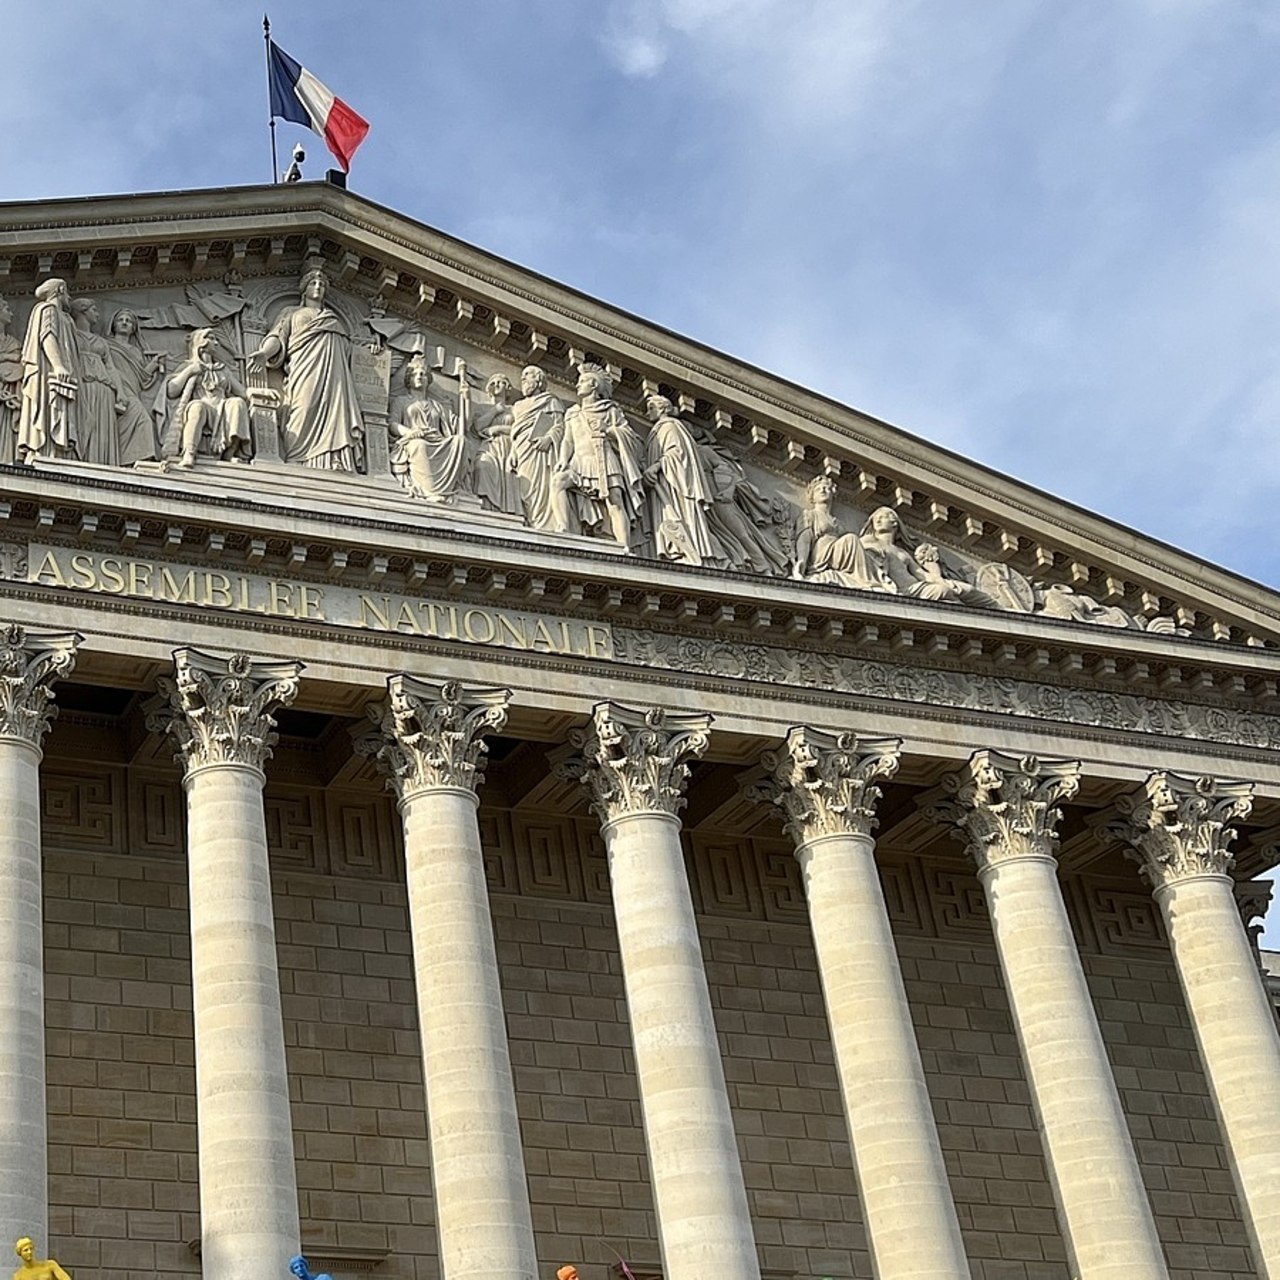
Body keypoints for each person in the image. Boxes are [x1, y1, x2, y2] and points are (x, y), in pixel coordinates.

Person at [249, 267, 361, 470]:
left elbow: (349, 352)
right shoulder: (291, 312)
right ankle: (297, 456)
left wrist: (371, 351)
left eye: (321, 284)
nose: (318, 287)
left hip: (334, 374)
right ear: (304, 289)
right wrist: (264, 353)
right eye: (313, 283)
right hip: (304, 368)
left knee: (335, 411)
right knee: (303, 407)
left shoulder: (332, 318)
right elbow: (277, 336)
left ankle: (333, 457)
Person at [557, 363, 645, 546]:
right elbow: (568, 440)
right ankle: (563, 529)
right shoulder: (572, 413)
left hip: (604, 460)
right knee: (558, 482)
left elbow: (630, 436)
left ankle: (625, 547)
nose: (577, 385)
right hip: (579, 462)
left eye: (582, 382)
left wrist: (609, 430)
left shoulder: (610, 410)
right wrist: (562, 460)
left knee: (614, 501)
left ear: (594, 386)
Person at [642, 394, 719, 566]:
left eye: (652, 408)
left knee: (680, 516)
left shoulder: (670, 426)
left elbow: (677, 454)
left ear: (663, 409)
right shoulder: (659, 430)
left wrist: (655, 467)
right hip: (663, 485)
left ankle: (687, 551)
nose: (648, 413)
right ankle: (676, 549)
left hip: (675, 487)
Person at [164, 328, 253, 467]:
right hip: (202, 406)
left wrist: (257, 392)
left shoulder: (223, 370)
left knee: (238, 403)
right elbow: (171, 391)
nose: (216, 343)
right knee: (197, 407)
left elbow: (242, 392)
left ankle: (229, 453)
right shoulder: (188, 366)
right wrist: (190, 371)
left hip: (222, 408)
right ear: (201, 343)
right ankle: (189, 452)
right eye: (211, 339)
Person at [387, 354, 469, 501]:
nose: (419, 376)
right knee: (419, 446)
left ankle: (453, 489)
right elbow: (392, 424)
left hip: (437, 440)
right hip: (414, 439)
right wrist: (410, 432)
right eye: (415, 374)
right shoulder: (401, 401)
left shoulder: (436, 405)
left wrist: (466, 399)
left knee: (460, 441)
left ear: (428, 380)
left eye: (423, 374)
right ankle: (430, 491)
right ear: (409, 380)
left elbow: (461, 425)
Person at [17, 278, 79, 462]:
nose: (69, 297)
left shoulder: (65, 317)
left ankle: (58, 452)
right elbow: (47, 336)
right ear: (60, 290)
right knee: (50, 408)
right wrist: (58, 365)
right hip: (48, 371)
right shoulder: (48, 310)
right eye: (67, 292)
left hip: (63, 373)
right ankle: (47, 451)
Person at [508, 365, 566, 530]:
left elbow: (559, 426)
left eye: (528, 375)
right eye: (522, 376)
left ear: (539, 380)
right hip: (521, 449)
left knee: (541, 488)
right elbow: (515, 431)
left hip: (540, 450)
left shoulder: (550, 401)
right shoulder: (517, 406)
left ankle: (542, 525)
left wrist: (548, 439)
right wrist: (512, 452)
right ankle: (528, 522)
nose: (523, 379)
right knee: (524, 488)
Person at [103, 307, 163, 465]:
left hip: (132, 391)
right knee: (143, 419)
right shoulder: (106, 345)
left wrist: (153, 365)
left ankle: (131, 460)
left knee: (139, 421)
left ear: (134, 328)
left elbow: (142, 378)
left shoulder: (137, 351)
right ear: (113, 325)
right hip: (115, 390)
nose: (124, 323)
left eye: (128, 321)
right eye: (120, 320)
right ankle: (132, 460)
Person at [69, 298, 123, 466]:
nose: (98, 314)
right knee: (85, 426)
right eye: (94, 309)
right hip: (82, 387)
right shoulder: (71, 335)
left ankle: (103, 466)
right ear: (83, 311)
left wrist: (120, 392)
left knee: (102, 432)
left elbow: (111, 368)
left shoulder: (101, 342)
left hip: (104, 389)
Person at [471, 372, 522, 514]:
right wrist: (495, 410)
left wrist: (498, 428)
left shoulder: (514, 409)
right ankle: (487, 507)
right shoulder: (483, 407)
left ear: (507, 388)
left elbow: (520, 430)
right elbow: (477, 427)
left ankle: (506, 511)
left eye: (501, 382)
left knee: (509, 475)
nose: (497, 385)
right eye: (493, 382)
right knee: (482, 466)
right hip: (490, 446)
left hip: (508, 447)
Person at [0, 299, 22, 466]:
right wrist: (7, 357)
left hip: (10, 395)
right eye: (7, 308)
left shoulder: (13, 342)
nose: (11, 312)